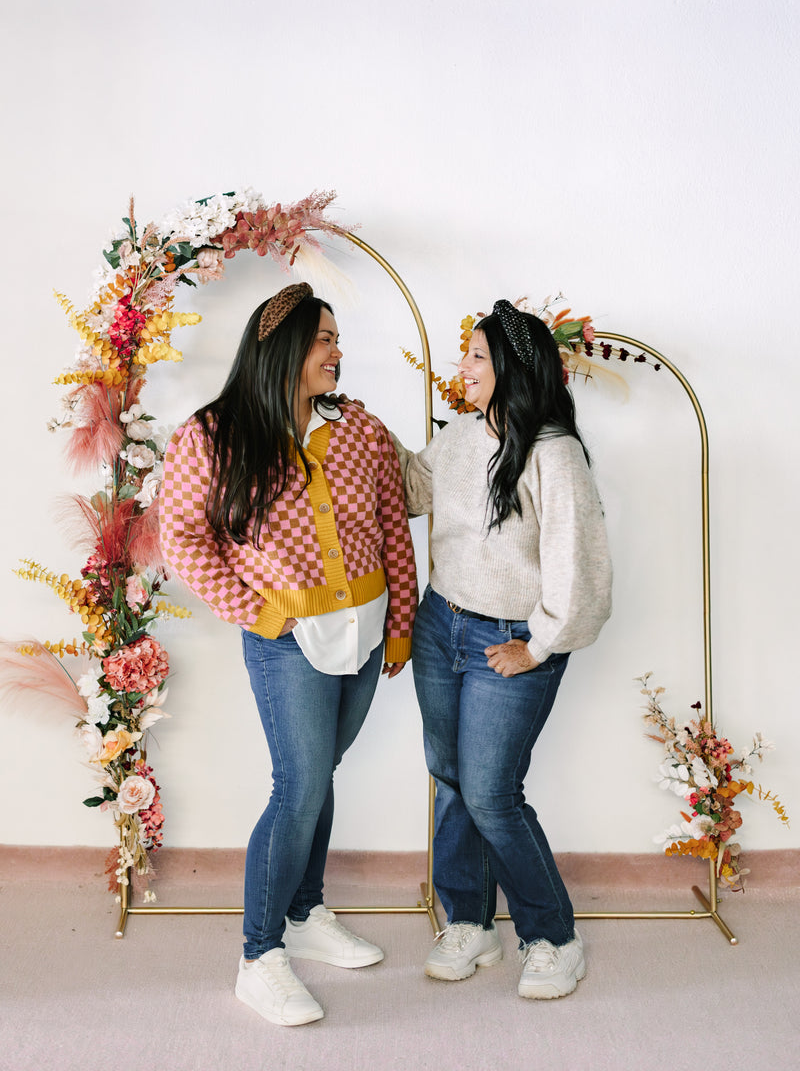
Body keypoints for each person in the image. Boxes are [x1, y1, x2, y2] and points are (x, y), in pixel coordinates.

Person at [158, 281, 417, 1027]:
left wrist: (398, 621)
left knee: (318, 774)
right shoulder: (213, 436)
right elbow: (182, 538)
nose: (339, 353)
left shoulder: (360, 428)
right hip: (289, 642)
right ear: (285, 348)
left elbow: (392, 525)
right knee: (298, 787)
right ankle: (259, 954)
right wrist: (257, 613)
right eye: (327, 339)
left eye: (338, 338)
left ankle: (305, 913)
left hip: (365, 635)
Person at [395, 298, 612, 1000]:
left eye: (477, 357)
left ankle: (552, 935)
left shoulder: (554, 452)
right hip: (441, 625)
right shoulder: (460, 436)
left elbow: (579, 569)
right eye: (465, 355)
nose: (463, 368)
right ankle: (469, 922)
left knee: (492, 793)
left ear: (514, 367)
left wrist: (540, 644)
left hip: (508, 641)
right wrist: (362, 432)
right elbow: (413, 490)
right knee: (452, 777)